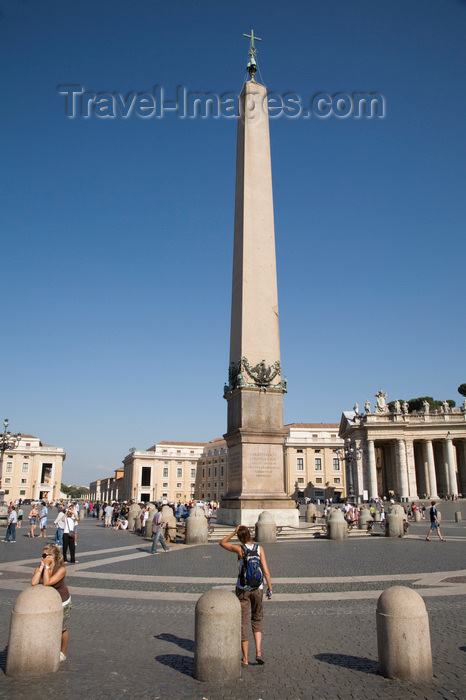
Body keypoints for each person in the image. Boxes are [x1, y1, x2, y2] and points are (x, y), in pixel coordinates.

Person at [220, 525, 272, 666]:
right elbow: (266, 571)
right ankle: (259, 652)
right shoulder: (259, 549)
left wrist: (233, 532)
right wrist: (270, 588)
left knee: (243, 622)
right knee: (257, 618)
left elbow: (222, 543)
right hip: (258, 588)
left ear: (240, 537)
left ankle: (245, 658)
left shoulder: (239, 549)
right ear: (250, 535)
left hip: (242, 589)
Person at [31, 544, 71, 662]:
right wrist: (41, 568)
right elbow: (34, 582)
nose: (42, 558)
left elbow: (47, 582)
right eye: (42, 555)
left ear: (52, 556)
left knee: (62, 628)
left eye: (44, 555)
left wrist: (47, 568)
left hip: (62, 600)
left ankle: (62, 652)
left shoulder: (61, 569)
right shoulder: (41, 567)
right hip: (48, 601)